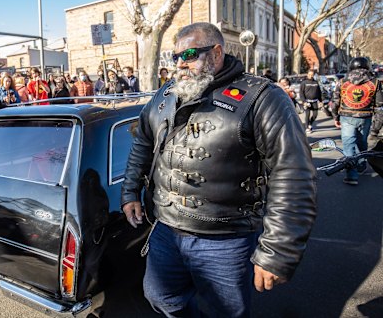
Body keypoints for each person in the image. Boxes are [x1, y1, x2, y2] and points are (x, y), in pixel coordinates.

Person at [121, 22, 316, 317]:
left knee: (224, 313)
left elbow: (293, 175)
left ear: (216, 53)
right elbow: (142, 145)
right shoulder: (165, 95)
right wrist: (130, 191)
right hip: (166, 231)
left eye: (188, 54)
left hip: (225, 240)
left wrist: (278, 252)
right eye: (174, 57)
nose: (180, 64)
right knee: (160, 296)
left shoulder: (262, 98)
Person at [332, 57, 383, 186]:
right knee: (362, 142)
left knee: (349, 146)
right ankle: (361, 164)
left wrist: (335, 117)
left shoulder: (342, 82)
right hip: (365, 117)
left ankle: (351, 176)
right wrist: (376, 127)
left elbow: (335, 102)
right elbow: (379, 106)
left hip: (346, 116)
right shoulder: (376, 83)